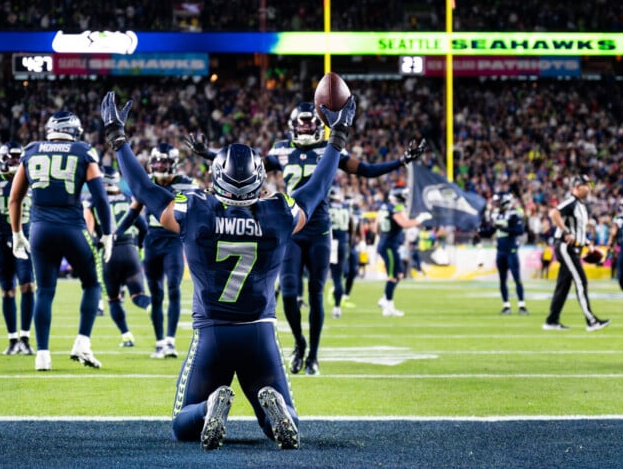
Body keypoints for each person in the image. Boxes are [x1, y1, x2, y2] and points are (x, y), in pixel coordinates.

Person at [101, 89, 355, 451]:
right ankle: (274, 406)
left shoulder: (196, 209)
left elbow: (143, 188)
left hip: (213, 334)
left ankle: (209, 405)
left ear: (217, 176)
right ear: (258, 180)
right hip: (259, 334)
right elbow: (315, 190)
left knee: (183, 424)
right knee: (285, 422)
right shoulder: (278, 213)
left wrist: (117, 137)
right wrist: (338, 139)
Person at [186, 102, 427, 376]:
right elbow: (245, 167)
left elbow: (365, 170)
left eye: (310, 123)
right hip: (291, 227)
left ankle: (313, 354)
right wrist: (208, 154)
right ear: (293, 125)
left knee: (315, 294)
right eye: (301, 123)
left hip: (320, 229)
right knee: (288, 294)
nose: (306, 128)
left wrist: (402, 162)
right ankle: (299, 343)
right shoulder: (281, 149)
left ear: (318, 125)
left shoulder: (328, 149)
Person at [8, 110, 114, 371]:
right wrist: (109, 233)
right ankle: (82, 343)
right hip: (72, 228)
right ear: (74, 131)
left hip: (40, 229)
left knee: (44, 291)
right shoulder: (83, 151)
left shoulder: (31, 150)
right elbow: (100, 198)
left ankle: (42, 355)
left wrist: (16, 233)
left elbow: (14, 198)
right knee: (92, 283)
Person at [117, 143, 198, 359]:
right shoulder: (148, 183)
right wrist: (115, 233)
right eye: (157, 161)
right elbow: (133, 212)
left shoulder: (187, 185)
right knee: (156, 293)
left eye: (164, 161)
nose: (160, 165)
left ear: (174, 164)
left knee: (173, 287)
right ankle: (160, 341)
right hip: (152, 241)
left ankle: (170, 342)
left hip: (174, 241)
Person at [0, 141, 36, 355]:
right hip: (2, 242)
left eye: (17, 159)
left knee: (28, 286)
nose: (14, 162)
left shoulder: (32, 179)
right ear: (2, 160)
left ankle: (25, 338)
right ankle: (12, 340)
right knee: (7, 291)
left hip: (27, 240)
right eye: (10, 158)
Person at [83, 165, 151, 348]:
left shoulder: (91, 201)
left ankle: (127, 336)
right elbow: (143, 228)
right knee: (138, 296)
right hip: (130, 249)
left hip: (108, 253)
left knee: (113, 299)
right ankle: (152, 308)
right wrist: (139, 247)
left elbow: (88, 231)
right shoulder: (128, 198)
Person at [543, 175, 610, 331]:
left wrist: (587, 243)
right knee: (581, 281)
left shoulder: (581, 206)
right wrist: (566, 232)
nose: (589, 188)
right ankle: (592, 321)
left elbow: (578, 231)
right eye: (587, 185)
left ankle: (551, 321)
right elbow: (554, 213)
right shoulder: (571, 202)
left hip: (575, 247)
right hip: (566, 247)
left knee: (563, 285)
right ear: (577, 187)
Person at [375, 187, 431, 317]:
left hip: (388, 244)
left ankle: (385, 298)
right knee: (392, 276)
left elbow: (376, 226)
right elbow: (405, 224)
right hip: (389, 246)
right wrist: (420, 219)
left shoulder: (384, 207)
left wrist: (383, 236)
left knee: (399, 274)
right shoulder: (393, 209)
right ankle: (388, 307)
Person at [489, 192, 528, 315]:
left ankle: (522, 305)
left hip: (511, 250)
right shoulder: (496, 215)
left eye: (498, 202)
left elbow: (520, 230)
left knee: (517, 278)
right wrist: (480, 232)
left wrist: (504, 229)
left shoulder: (514, 214)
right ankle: (506, 305)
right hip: (500, 250)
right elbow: (491, 230)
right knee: (502, 280)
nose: (496, 204)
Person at [327, 185, 352, 319]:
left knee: (315, 274)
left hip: (329, 241)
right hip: (343, 242)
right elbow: (351, 226)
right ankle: (337, 308)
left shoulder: (327, 206)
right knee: (338, 277)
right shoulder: (346, 207)